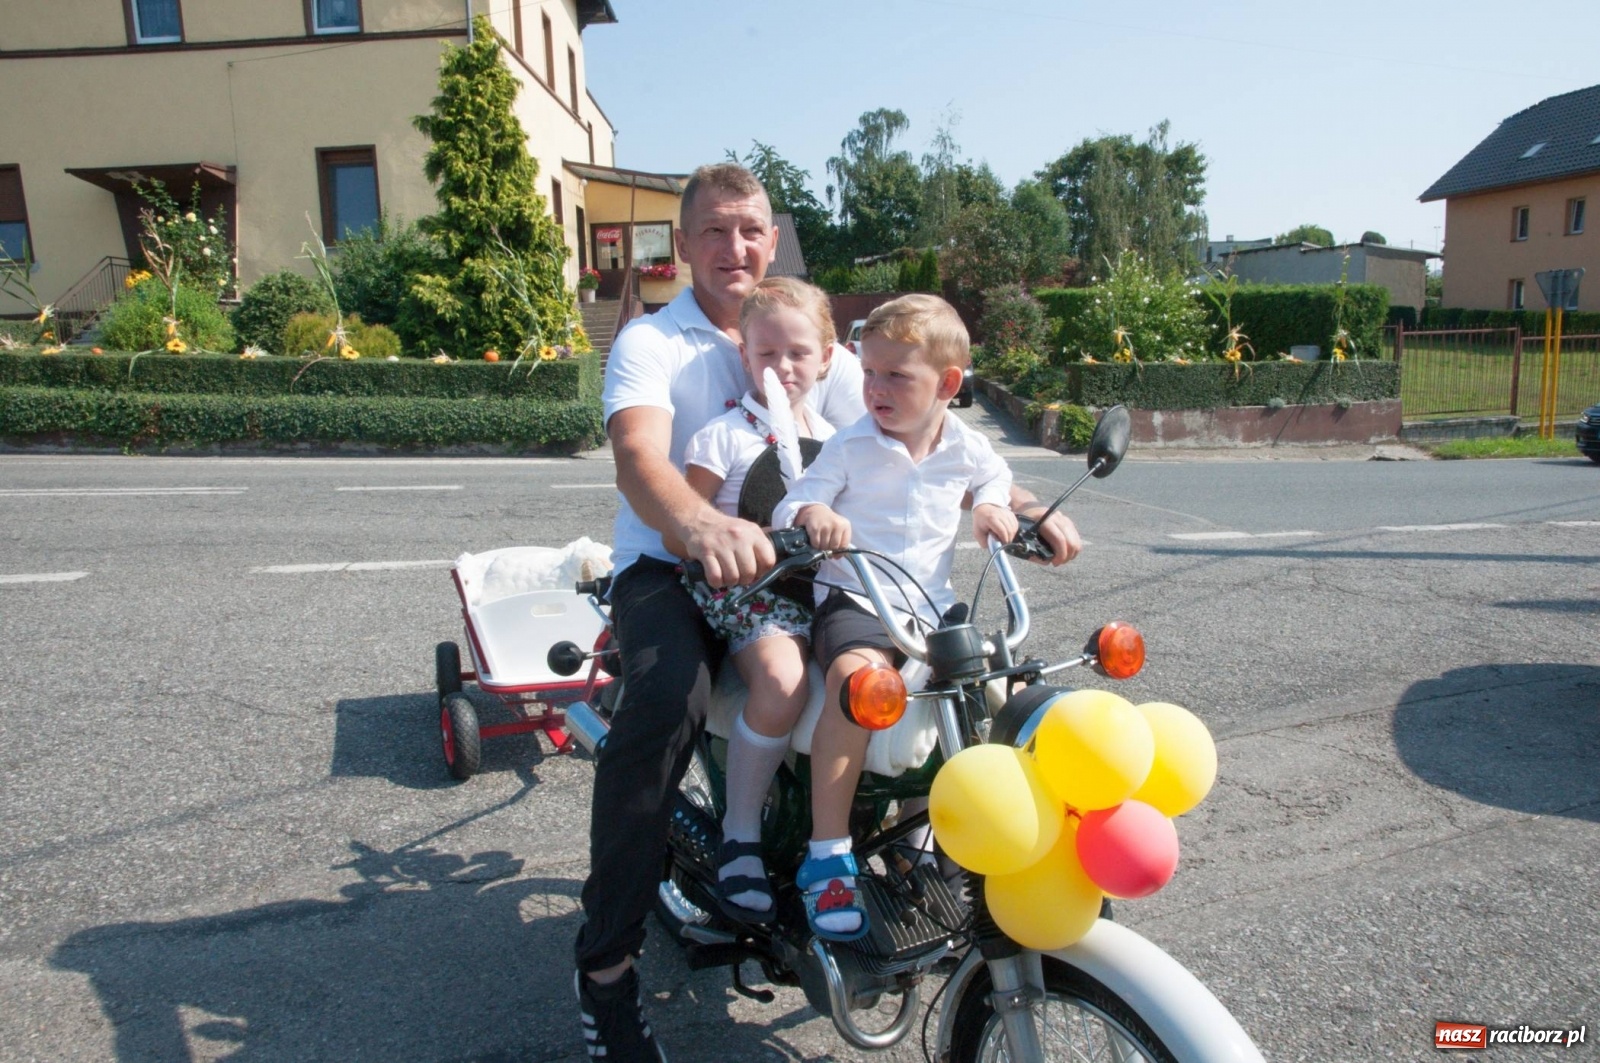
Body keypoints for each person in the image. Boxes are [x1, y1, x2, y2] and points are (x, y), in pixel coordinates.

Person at [577, 161, 1082, 1062]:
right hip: (675, 564)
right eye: (715, 230)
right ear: (686, 243)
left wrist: (1017, 503)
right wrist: (699, 523)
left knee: (933, 684)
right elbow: (638, 457)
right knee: (663, 707)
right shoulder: (657, 342)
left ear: (771, 242)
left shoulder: (822, 351)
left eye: (751, 230)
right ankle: (606, 972)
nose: (734, 246)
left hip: (809, 564)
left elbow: (914, 432)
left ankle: (868, 846)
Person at [771, 294, 1013, 941]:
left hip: (931, 604)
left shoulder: (964, 445)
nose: (874, 388)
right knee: (859, 687)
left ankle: (928, 831)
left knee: (992, 684)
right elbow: (796, 499)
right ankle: (828, 855)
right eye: (868, 371)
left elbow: (995, 479)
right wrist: (813, 514)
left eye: (896, 376)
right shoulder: (851, 444)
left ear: (949, 384)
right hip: (858, 599)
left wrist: (991, 507)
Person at [672, 276, 838, 922]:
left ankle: (908, 834)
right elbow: (685, 517)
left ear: (827, 356)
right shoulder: (725, 434)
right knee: (782, 679)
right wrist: (733, 538)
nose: (783, 366)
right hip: (746, 592)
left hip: (819, 589)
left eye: (798, 352)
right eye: (766, 354)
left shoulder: (838, 437)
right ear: (745, 356)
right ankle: (740, 832)